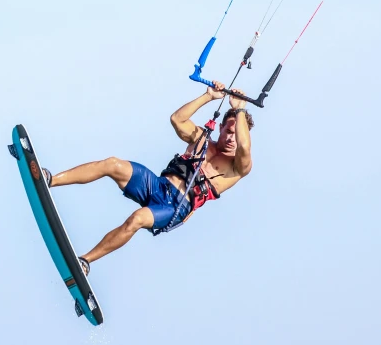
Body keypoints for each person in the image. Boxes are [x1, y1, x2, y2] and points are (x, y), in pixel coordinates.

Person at [41, 82, 254, 274]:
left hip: (175, 207)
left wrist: (241, 109)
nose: (231, 138)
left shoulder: (238, 167)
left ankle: (85, 262)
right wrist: (208, 96)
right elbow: (176, 119)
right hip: (158, 186)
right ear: (221, 127)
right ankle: (50, 180)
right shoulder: (201, 137)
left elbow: (244, 145)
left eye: (236, 134)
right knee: (112, 164)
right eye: (228, 131)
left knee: (137, 219)